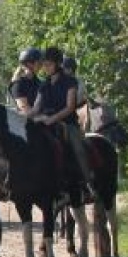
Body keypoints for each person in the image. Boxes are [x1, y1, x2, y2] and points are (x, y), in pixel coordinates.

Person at [30, 47, 95, 202]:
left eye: (48, 64)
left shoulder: (70, 82)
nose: (45, 68)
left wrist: (52, 119)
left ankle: (88, 184)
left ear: (58, 63)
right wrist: (22, 118)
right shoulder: (43, 85)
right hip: (45, 122)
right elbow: (36, 109)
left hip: (67, 123)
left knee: (78, 148)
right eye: (44, 64)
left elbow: (70, 107)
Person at [9, 47, 42, 114]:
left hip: (41, 119)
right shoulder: (18, 85)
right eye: (38, 62)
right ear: (29, 64)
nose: (41, 64)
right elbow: (26, 110)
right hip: (26, 122)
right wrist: (45, 117)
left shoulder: (39, 83)